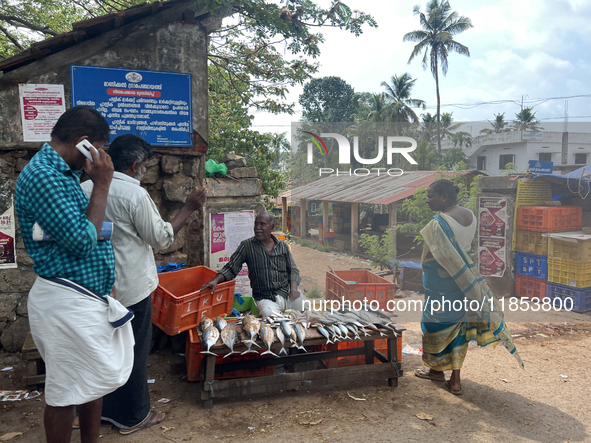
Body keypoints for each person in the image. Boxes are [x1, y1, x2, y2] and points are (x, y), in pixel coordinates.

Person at [14, 107, 134, 443]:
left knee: (92, 380)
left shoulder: (64, 174)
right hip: (64, 301)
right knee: (66, 390)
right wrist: (102, 184)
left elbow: (82, 230)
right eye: (100, 147)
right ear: (83, 144)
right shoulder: (43, 177)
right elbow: (83, 240)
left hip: (84, 300)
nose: (103, 157)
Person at [79, 134, 207, 435]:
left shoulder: (83, 188)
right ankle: (134, 415)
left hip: (94, 286)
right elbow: (161, 238)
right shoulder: (134, 195)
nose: (146, 170)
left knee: (99, 351)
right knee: (133, 352)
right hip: (131, 289)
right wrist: (188, 208)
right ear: (136, 165)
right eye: (146, 165)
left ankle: (96, 413)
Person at [413, 179, 523, 395]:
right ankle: (455, 380)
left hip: (440, 285)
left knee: (434, 324)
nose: (427, 200)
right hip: (462, 281)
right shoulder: (471, 216)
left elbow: (435, 254)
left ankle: (436, 370)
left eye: (430, 195)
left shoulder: (439, 223)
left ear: (444, 196)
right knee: (458, 327)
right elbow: (467, 248)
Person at [200, 212, 304, 318]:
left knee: (308, 313)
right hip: (265, 299)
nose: (258, 228)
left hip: (287, 293)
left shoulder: (282, 246)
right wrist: (215, 280)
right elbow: (231, 268)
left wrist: (294, 288)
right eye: (256, 224)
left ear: (271, 227)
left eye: (262, 224)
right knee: (273, 320)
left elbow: (293, 270)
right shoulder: (247, 246)